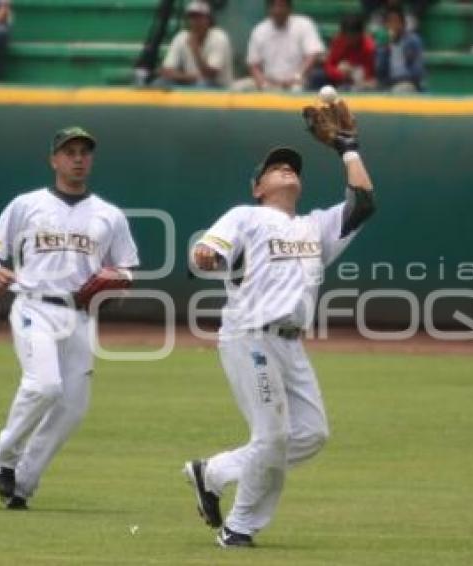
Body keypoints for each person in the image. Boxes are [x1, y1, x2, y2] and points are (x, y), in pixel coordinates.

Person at [183, 104, 376, 548]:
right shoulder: (244, 216)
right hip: (251, 334)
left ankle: (212, 472)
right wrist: (206, 256)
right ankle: (239, 528)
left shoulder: (315, 227)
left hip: (290, 344)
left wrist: (349, 149)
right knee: (271, 437)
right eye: (274, 168)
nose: (285, 168)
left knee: (310, 434)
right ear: (257, 187)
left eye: (292, 165)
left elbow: (364, 201)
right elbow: (206, 251)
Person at [0, 126, 139, 510]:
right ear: (54, 159)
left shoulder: (109, 215)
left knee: (72, 408)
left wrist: (116, 282)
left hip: (80, 316)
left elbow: (128, 268)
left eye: (84, 151)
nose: (78, 158)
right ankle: (4, 455)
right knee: (44, 386)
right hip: (35, 304)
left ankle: (21, 484)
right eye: (69, 152)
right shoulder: (26, 204)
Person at [231, 0, 325, 92]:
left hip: (297, 81)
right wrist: (262, 82)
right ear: (268, 9)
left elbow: (312, 55)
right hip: (269, 81)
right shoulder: (259, 30)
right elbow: (253, 63)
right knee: (236, 87)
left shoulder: (304, 25)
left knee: (296, 90)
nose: (277, 10)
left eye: (281, 6)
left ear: (289, 8)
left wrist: (298, 76)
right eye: (274, 6)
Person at [153, 0, 233, 88]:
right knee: (159, 83)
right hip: (190, 83)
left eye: (199, 17)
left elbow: (210, 75)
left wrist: (195, 50)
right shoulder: (181, 37)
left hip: (219, 89)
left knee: (202, 85)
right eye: (192, 17)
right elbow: (166, 71)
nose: (195, 22)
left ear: (209, 20)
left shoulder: (219, 37)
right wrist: (191, 77)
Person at [319, 13, 377, 91]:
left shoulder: (369, 47)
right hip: (339, 80)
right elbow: (329, 66)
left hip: (360, 83)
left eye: (354, 36)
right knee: (318, 76)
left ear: (361, 34)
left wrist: (354, 73)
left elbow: (369, 75)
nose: (350, 40)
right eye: (348, 36)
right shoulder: (338, 41)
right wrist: (341, 74)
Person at [375, 7, 425, 93]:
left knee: (401, 89)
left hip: (408, 84)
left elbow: (417, 71)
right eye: (389, 22)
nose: (393, 26)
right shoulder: (383, 43)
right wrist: (384, 48)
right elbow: (380, 71)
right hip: (387, 85)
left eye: (396, 22)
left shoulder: (413, 41)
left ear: (403, 24)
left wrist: (400, 79)